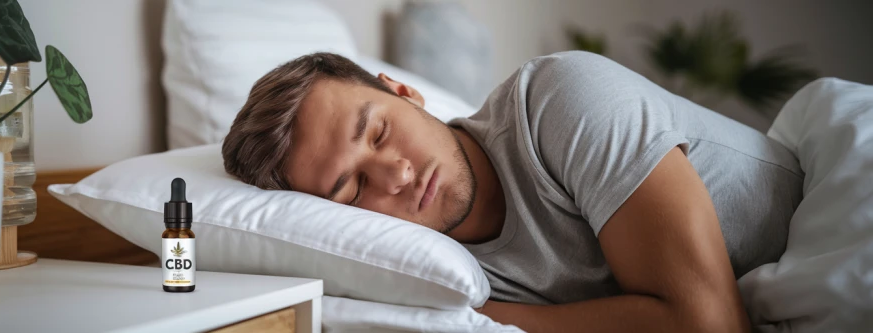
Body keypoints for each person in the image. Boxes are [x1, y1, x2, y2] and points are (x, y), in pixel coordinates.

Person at [221, 51, 803, 332]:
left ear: (403, 91)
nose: (396, 175)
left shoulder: (560, 100)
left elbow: (709, 325)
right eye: (351, 190)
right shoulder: (431, 270)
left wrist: (491, 315)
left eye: (378, 132)